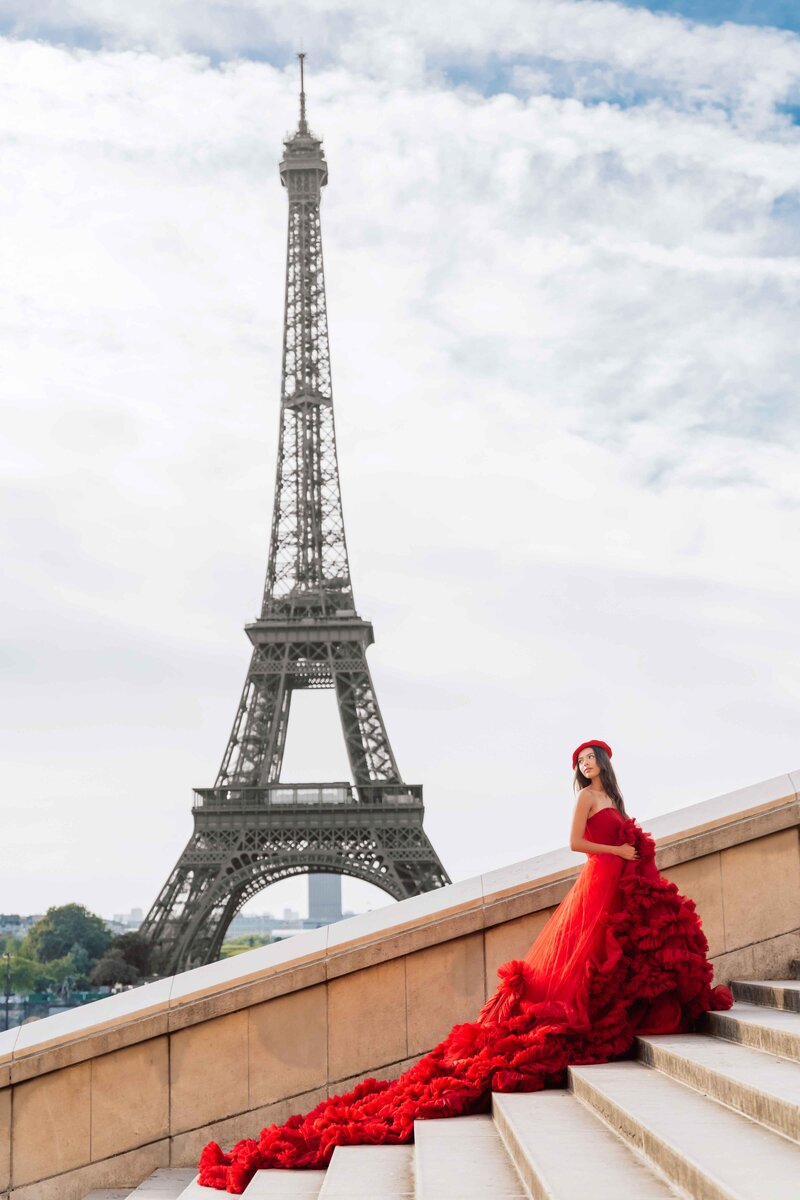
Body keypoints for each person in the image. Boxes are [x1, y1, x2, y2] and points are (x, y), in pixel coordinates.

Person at [199, 740, 733, 1193]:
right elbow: (576, 844)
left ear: (605, 762)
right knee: (590, 955)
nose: (588, 764)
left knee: (612, 952)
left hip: (616, 881)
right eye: (583, 760)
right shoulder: (587, 799)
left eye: (594, 758)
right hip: (602, 876)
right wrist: (616, 853)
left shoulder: (611, 795)